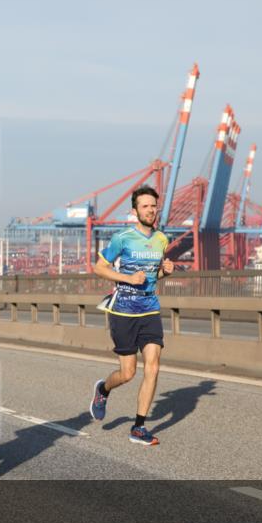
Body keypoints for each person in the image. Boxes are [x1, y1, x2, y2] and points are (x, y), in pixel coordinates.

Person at [89, 185, 174, 447]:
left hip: (149, 309)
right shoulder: (122, 238)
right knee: (128, 373)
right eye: (145, 206)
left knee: (154, 365)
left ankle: (138, 427)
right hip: (123, 311)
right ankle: (103, 390)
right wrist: (127, 277)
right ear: (135, 210)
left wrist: (165, 273)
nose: (150, 210)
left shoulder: (162, 239)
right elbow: (99, 268)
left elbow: (151, 276)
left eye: (153, 206)